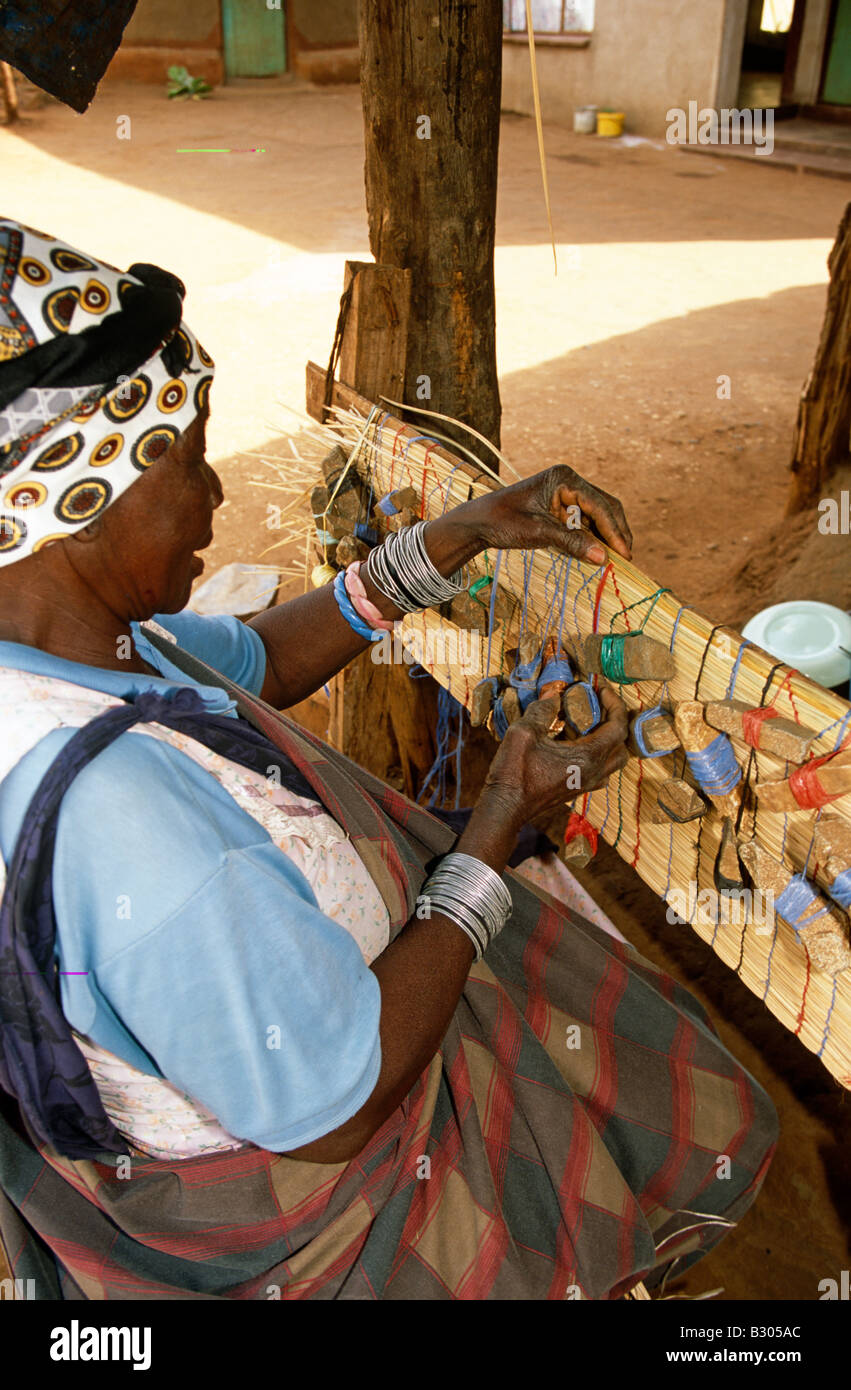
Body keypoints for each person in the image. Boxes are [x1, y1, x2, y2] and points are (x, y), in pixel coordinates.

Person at [0, 219, 777, 1301]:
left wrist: (451, 537)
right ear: (76, 506)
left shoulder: (67, 654)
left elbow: (257, 660)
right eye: (188, 458)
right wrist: (491, 833)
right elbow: (342, 1103)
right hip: (337, 1183)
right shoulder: (126, 819)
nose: (218, 498)